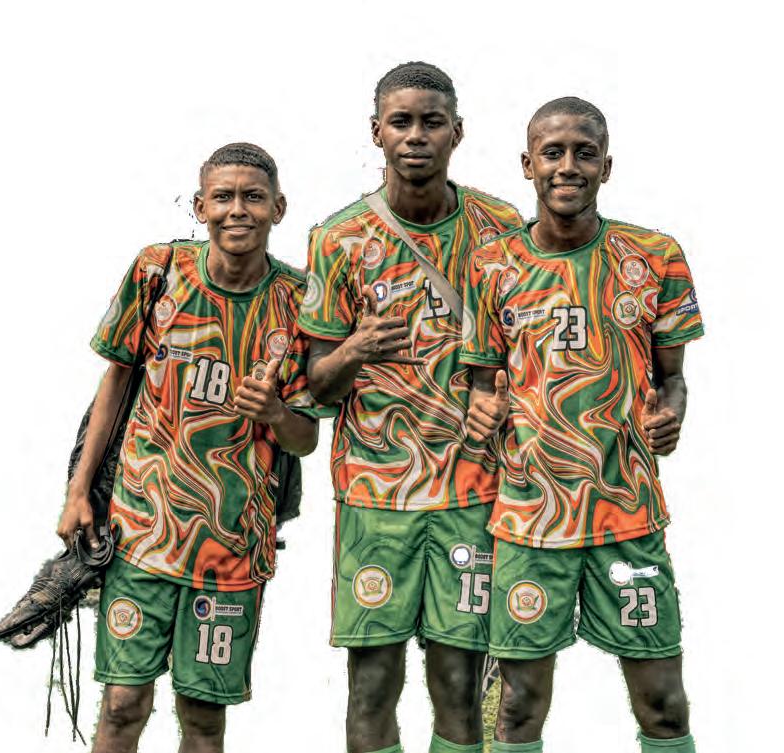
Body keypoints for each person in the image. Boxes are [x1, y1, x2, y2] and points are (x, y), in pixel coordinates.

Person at [56, 143, 325, 753]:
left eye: (253, 197)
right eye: (223, 197)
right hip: (141, 535)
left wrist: (275, 412)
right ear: (200, 207)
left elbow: (306, 439)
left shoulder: (299, 301)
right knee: (122, 706)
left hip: (232, 548)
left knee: (203, 717)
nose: (238, 210)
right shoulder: (159, 272)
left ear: (279, 208)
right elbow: (114, 383)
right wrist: (78, 492)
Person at [461, 97, 705, 753]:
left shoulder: (654, 256)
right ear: (528, 165)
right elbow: (481, 382)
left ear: (606, 166)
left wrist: (671, 411)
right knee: (516, 709)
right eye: (553, 152)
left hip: (626, 513)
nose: (568, 165)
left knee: (663, 706)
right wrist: (481, 407)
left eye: (584, 152)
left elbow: (672, 378)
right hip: (529, 520)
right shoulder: (491, 266)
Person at [297, 62, 522, 753]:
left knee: (459, 681)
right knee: (371, 682)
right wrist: (354, 349)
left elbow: (531, 353)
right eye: (401, 122)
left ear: (458, 132)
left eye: (431, 122)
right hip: (375, 494)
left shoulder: (501, 229)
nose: (416, 135)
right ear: (377, 132)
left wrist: (496, 395)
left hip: (474, 490)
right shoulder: (338, 239)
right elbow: (316, 385)